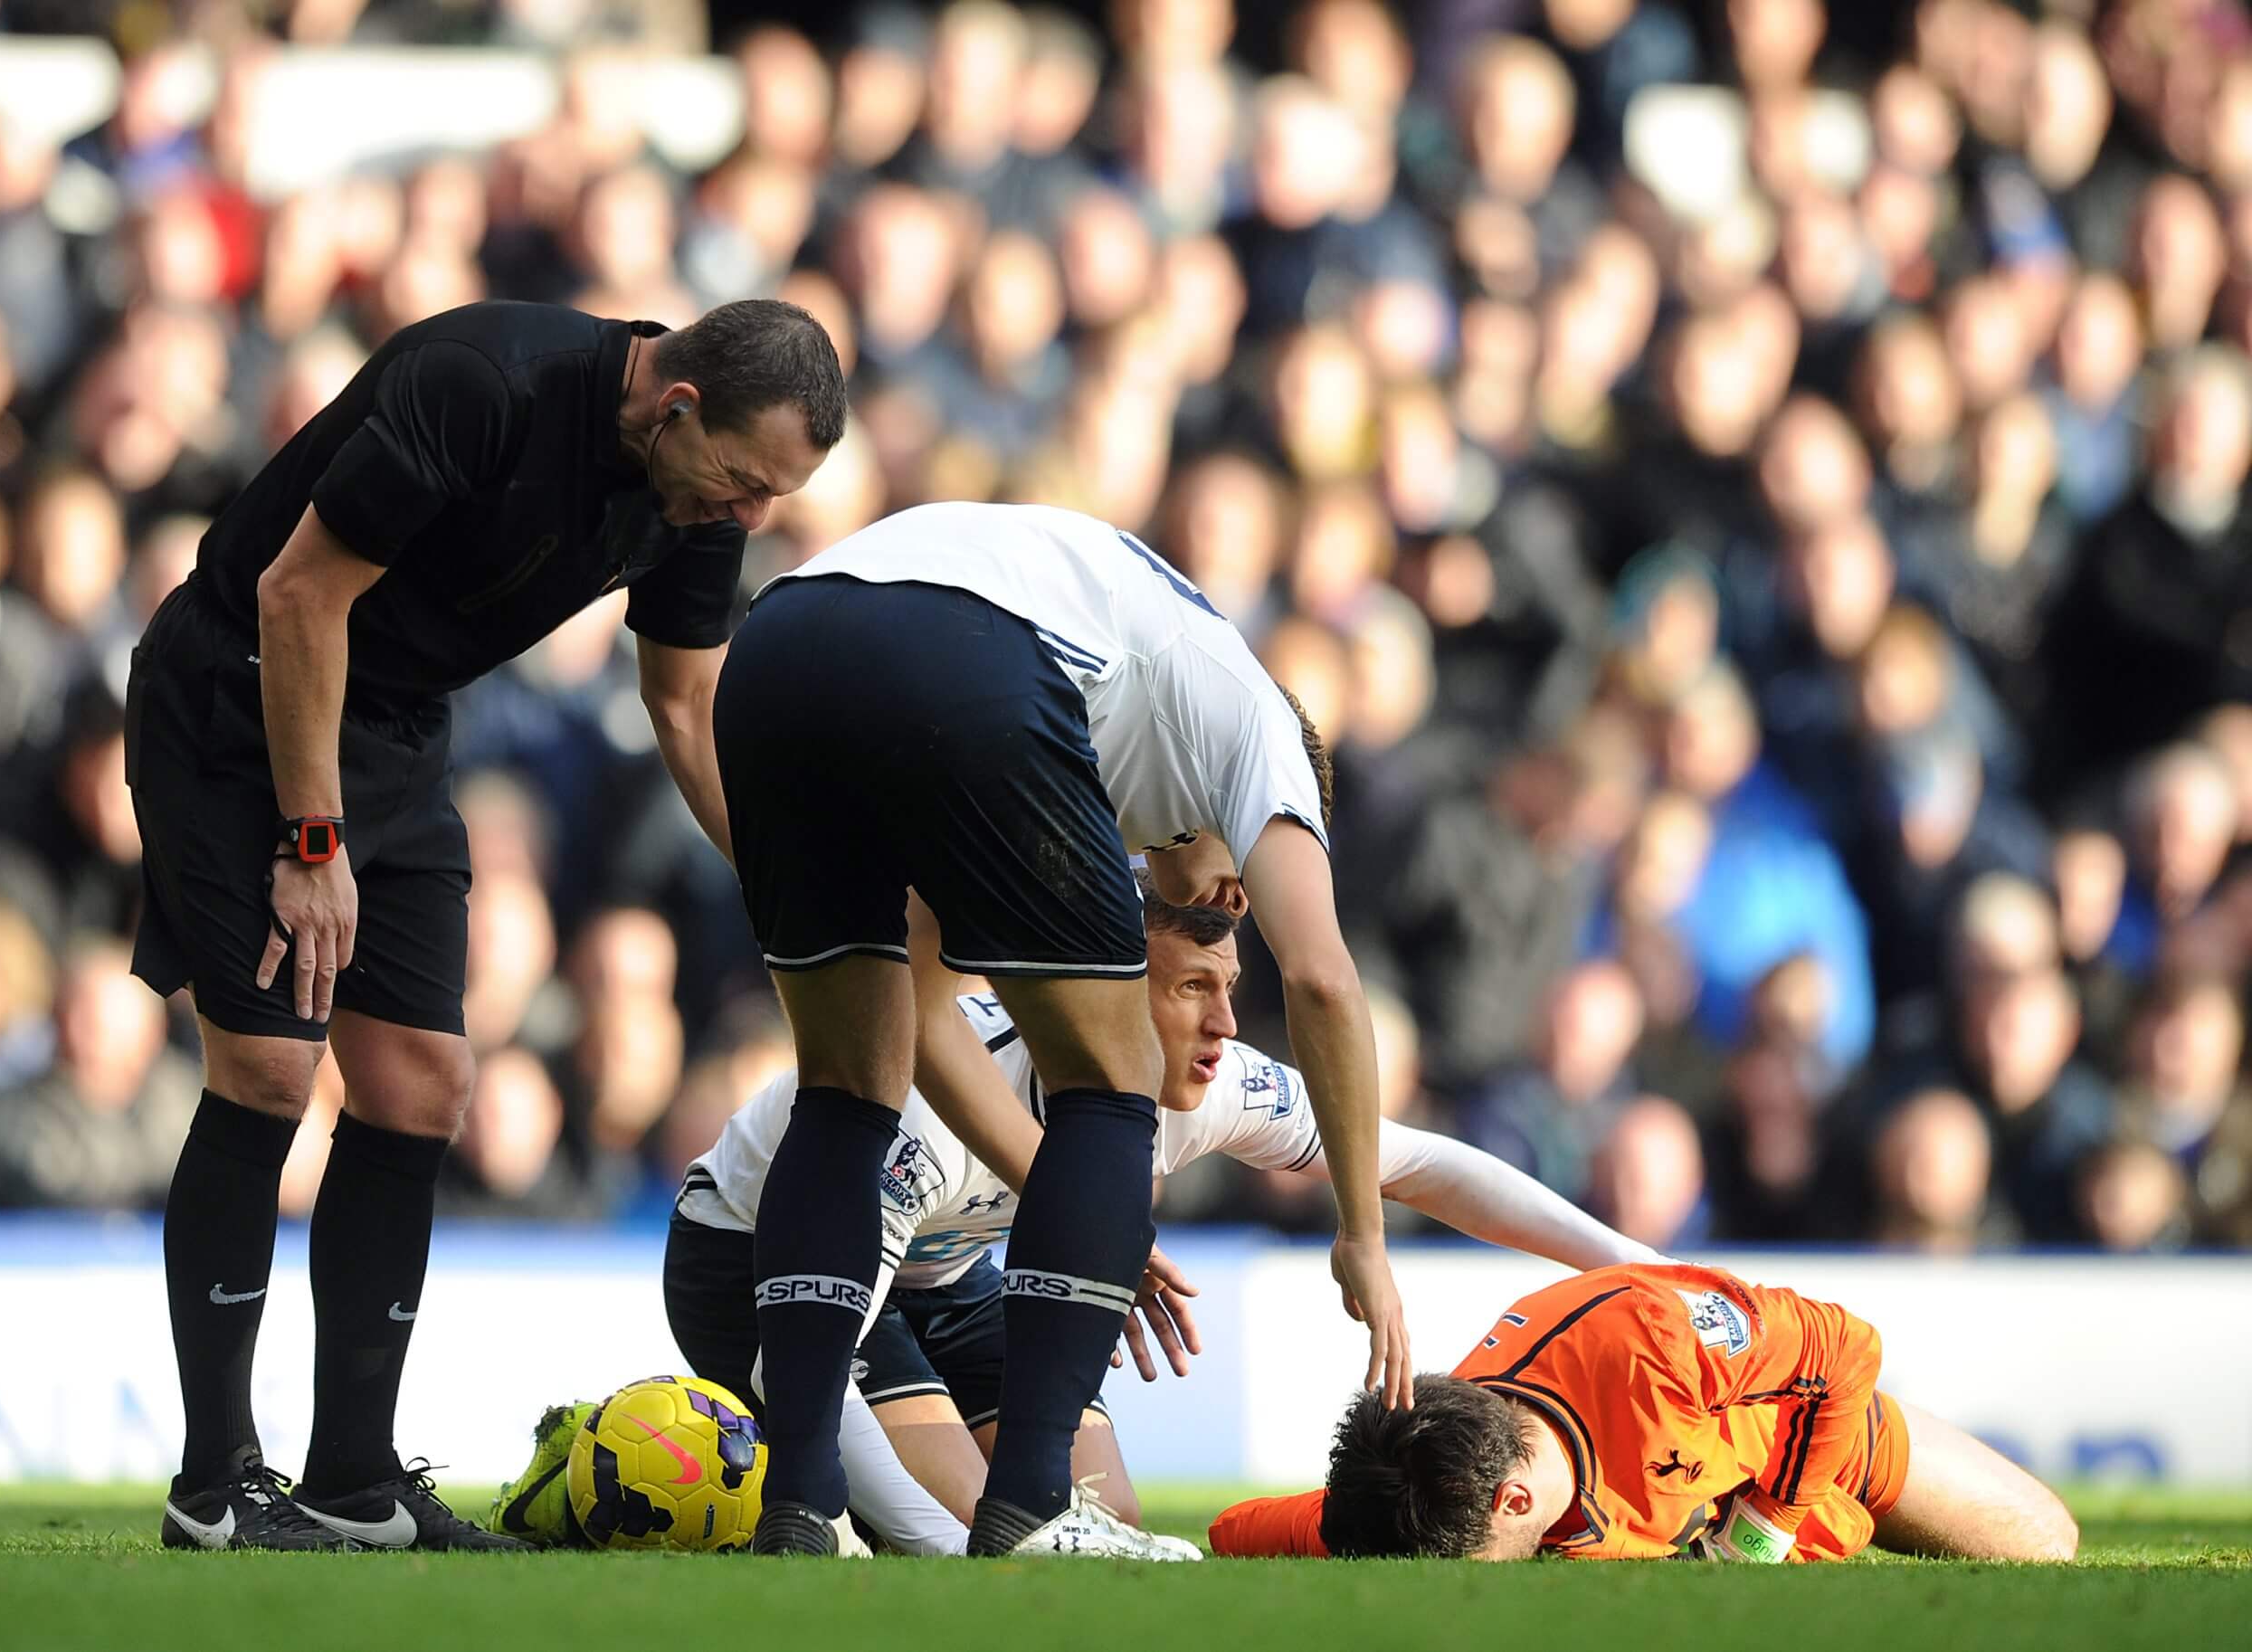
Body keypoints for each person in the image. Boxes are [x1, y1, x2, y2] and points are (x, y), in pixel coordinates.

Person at [128, 297, 845, 1552]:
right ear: (677, 406)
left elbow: (683, 705)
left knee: (420, 1084)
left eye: (771, 496)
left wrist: (784, 890)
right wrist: (311, 843)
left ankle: (351, 1479)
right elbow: (297, 596)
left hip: (394, 723)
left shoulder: (694, 495)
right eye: (742, 482)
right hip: (243, 695)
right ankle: (214, 1484)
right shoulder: (483, 383)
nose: (749, 519)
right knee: (269, 1064)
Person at [471, 881, 1649, 1555]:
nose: (1227, 1022)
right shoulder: (929, 1112)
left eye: (1231, 986)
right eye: (1195, 985)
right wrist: (951, 1561)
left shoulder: (1209, 1083)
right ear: (1098, 992)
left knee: (1102, 1523)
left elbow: (1414, 1162)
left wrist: (1639, 1262)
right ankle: (605, 1461)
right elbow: (813, 1357)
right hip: (754, 1259)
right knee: (953, 1524)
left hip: (945, 1268)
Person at [712, 500, 1412, 1559]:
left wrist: (1052, 1183)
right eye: (1234, 883)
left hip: (776, 641)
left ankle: (799, 1502)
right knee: (1115, 1067)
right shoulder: (1263, 738)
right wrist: (1360, 1232)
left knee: (847, 1083)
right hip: (963, 643)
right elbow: (1322, 979)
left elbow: (928, 995)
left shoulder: (1119, 714)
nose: (1226, 906)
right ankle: (1035, 1504)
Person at [1209, 1261, 2078, 1563]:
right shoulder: (1421, 1489)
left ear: (1516, 1504)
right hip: (1707, 1507)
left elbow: (1845, 1349)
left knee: (2046, 1544)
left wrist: (1770, 1523)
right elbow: (1239, 1527)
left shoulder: (1653, 1345)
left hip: (1813, 1445)